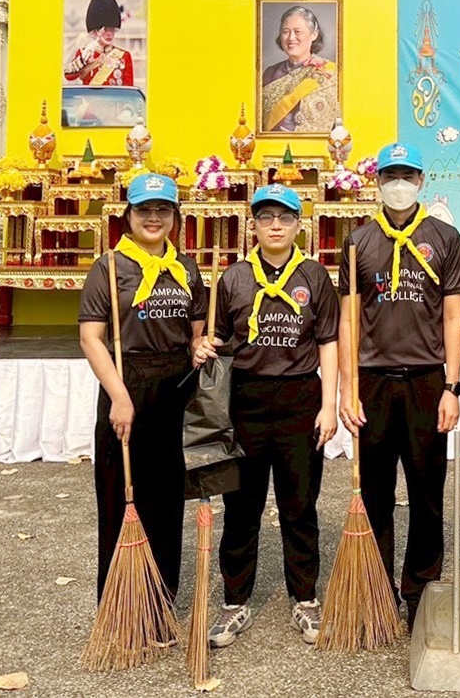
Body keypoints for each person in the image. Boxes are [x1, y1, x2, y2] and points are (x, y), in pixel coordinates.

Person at [198, 184, 339, 649]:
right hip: (247, 401)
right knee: (242, 507)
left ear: (299, 225)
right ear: (253, 226)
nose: (275, 226)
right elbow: (218, 339)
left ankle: (305, 597)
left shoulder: (315, 276)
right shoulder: (235, 277)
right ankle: (235, 601)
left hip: (300, 398)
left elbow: (328, 342)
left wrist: (329, 404)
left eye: (284, 217)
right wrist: (203, 346)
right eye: (266, 218)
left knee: (300, 506)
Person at [337, 142, 460, 626]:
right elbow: (348, 320)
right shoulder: (358, 241)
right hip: (373, 381)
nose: (398, 183)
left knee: (427, 492)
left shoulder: (444, 238)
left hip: (427, 380)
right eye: (390, 175)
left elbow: (453, 315)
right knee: (374, 492)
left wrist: (452, 387)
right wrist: (348, 387)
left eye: (407, 175)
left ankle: (420, 589)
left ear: (420, 181)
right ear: (377, 182)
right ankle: (376, 588)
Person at [77, 172, 206, 599]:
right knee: (121, 498)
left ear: (175, 216)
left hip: (175, 389)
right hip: (127, 384)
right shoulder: (109, 267)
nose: (154, 217)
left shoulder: (187, 268)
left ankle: (161, 599)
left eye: (163, 209)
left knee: (166, 499)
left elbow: (195, 334)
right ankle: (122, 603)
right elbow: (91, 338)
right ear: (128, 215)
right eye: (144, 209)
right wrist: (119, 397)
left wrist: (201, 348)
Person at [261, 5, 339, 133]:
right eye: (285, 32)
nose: (291, 38)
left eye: (297, 32)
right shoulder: (269, 73)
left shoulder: (330, 72)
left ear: (314, 35)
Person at [64, 0, 134, 87]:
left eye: (112, 29)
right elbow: (68, 76)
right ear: (95, 31)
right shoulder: (84, 53)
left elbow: (129, 90)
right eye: (105, 30)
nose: (109, 33)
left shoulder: (124, 56)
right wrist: (83, 60)